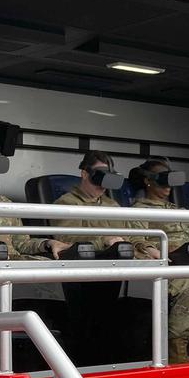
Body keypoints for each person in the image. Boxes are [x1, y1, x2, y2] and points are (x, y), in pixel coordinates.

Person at [50, 150, 127, 363]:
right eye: (99, 175)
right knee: (82, 330)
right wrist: (105, 241)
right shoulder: (66, 203)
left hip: (110, 274)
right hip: (79, 277)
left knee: (106, 328)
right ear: (84, 174)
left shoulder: (113, 206)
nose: (102, 184)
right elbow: (66, 238)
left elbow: (127, 236)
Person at [127, 159, 189, 364]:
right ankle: (178, 352)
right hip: (164, 266)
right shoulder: (140, 209)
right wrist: (155, 249)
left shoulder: (177, 209)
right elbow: (136, 239)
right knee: (188, 284)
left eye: (170, 182)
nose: (168, 187)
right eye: (162, 181)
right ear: (148, 182)